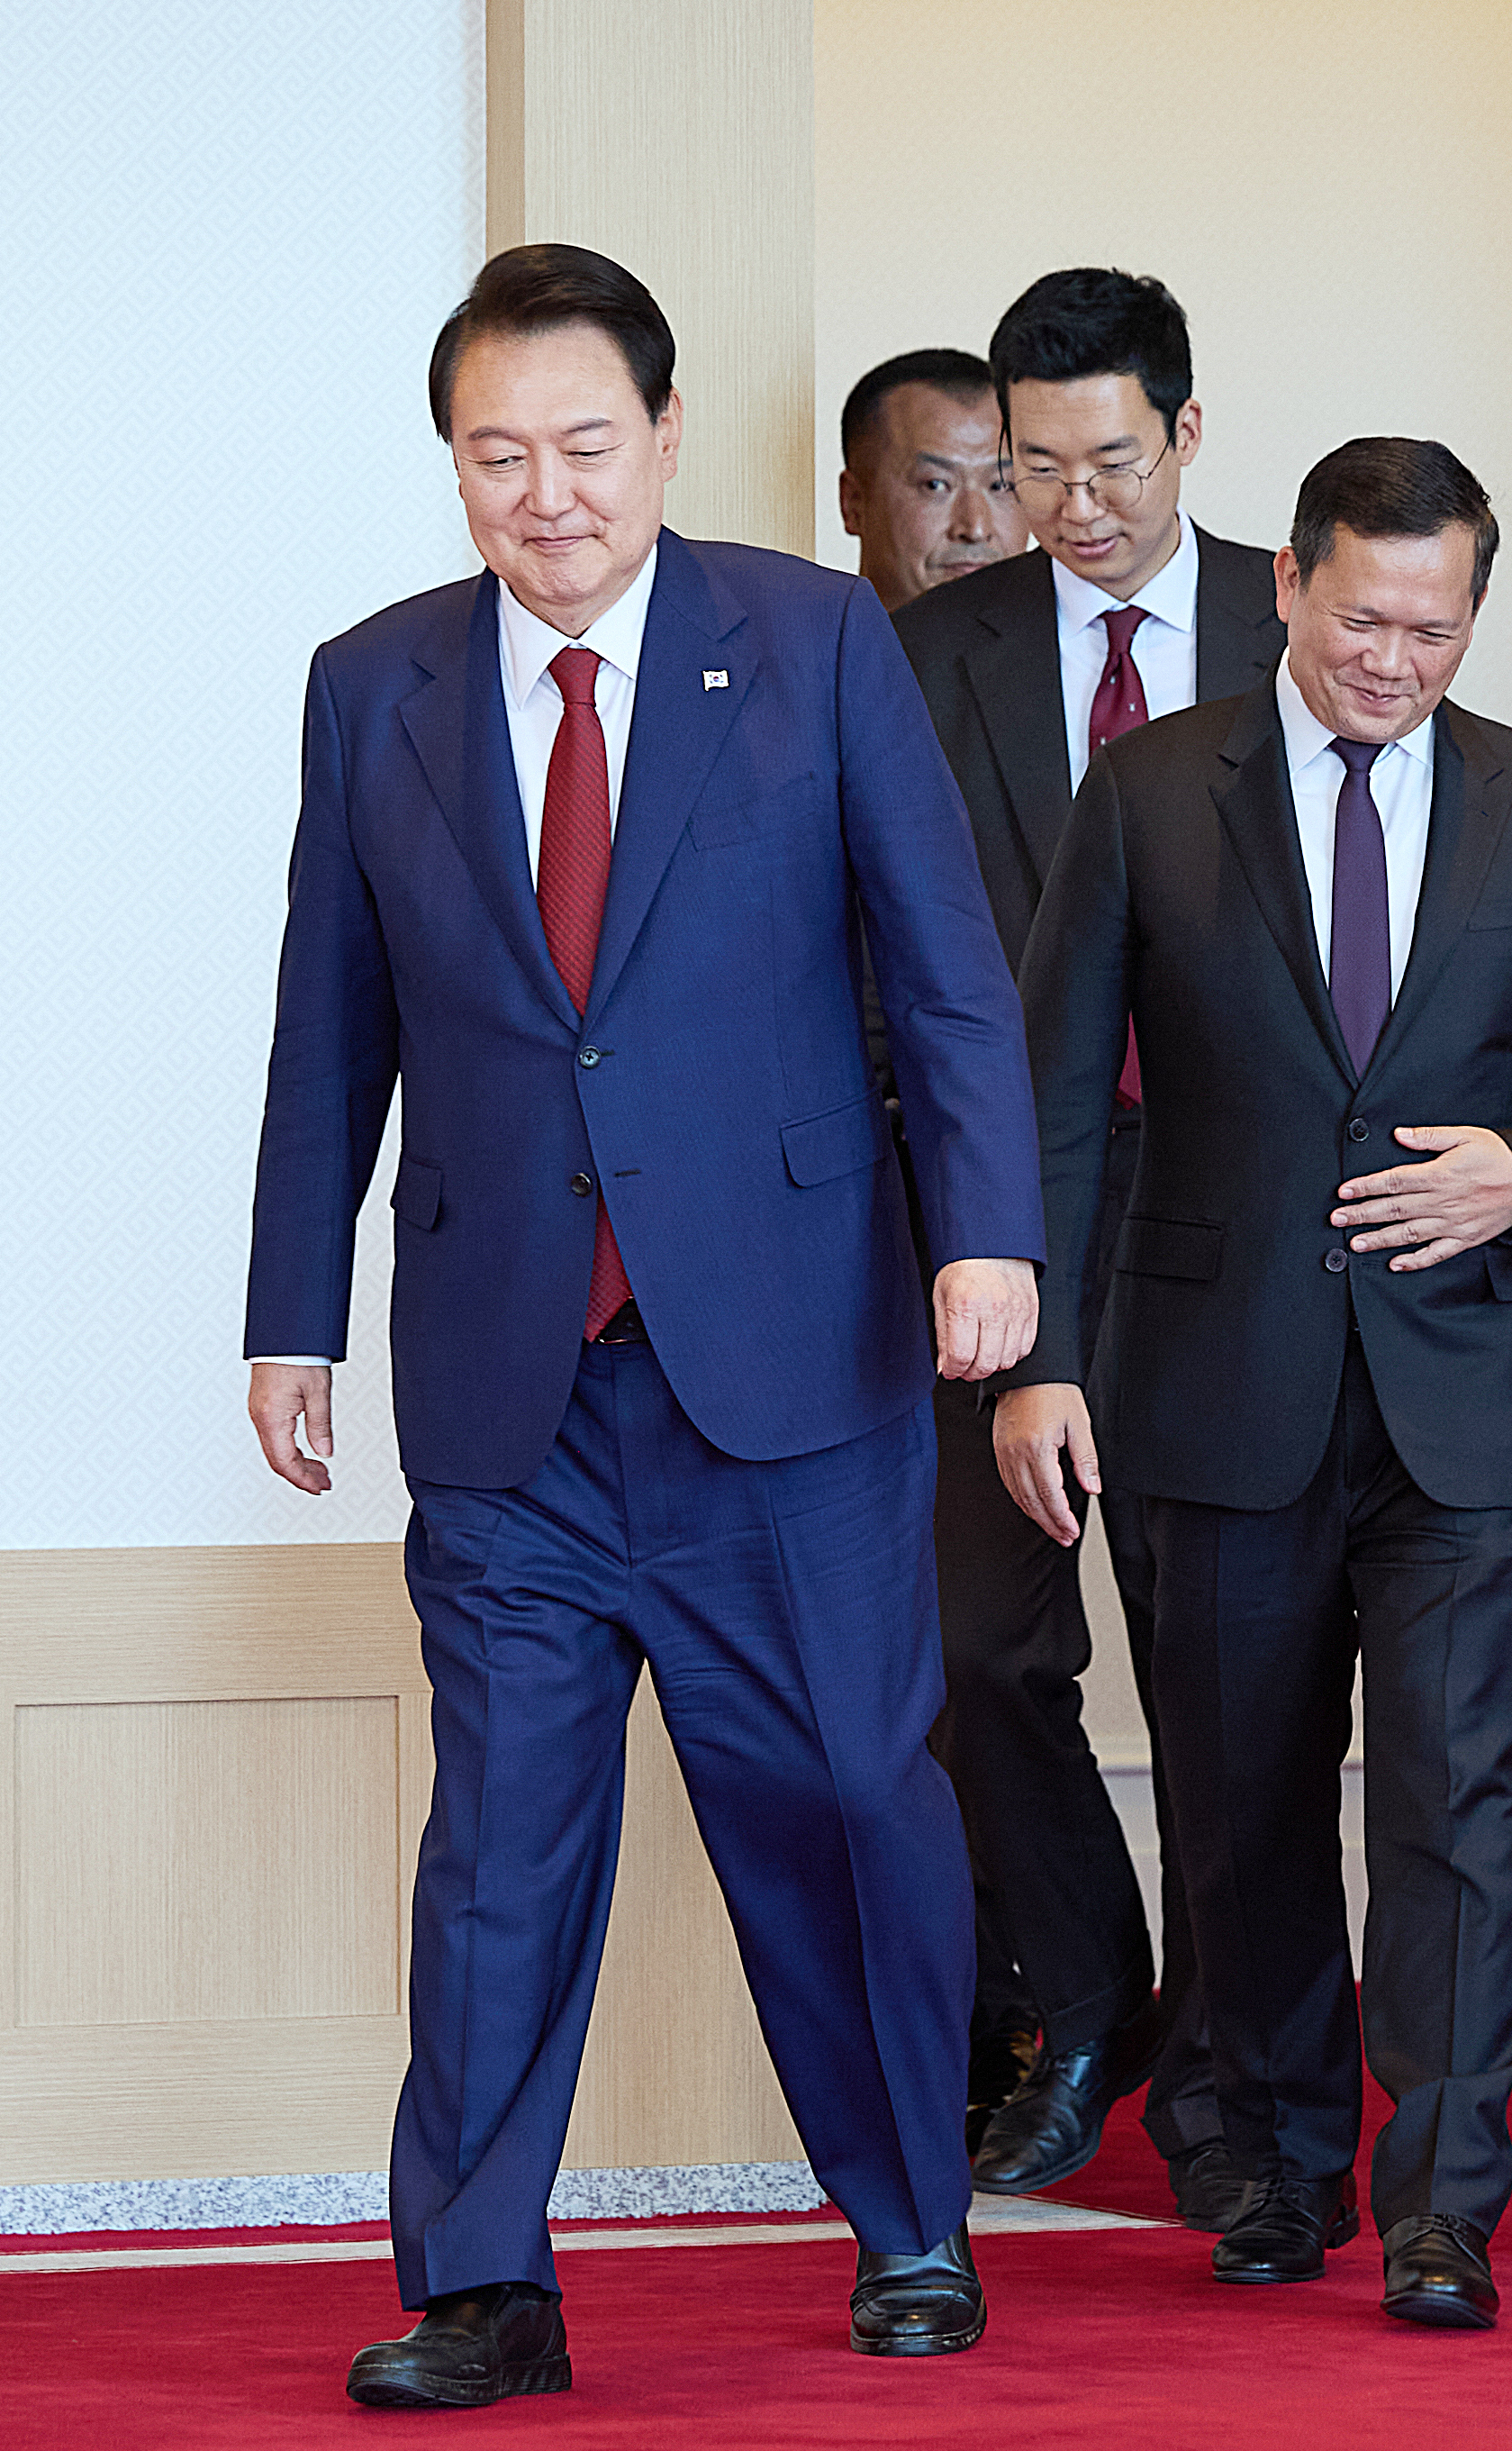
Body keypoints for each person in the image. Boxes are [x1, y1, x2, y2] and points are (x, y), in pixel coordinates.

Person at [243, 243, 1042, 2404]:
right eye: (496, 455)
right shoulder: (374, 682)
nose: (545, 492)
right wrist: (287, 1312)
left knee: (846, 1795)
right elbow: (332, 1025)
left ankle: (904, 2218)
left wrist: (988, 1233)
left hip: (790, 1364)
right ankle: (482, 2271)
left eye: (584, 445)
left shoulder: (807, 637)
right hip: (511, 1375)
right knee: (501, 1835)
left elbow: (945, 963)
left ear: (665, 440)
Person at [995, 438, 1512, 2330]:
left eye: (1438, 625)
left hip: (1462, 1383)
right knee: (1240, 1796)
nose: (1397, 657)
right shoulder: (1148, 790)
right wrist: (1039, 1361)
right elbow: (1054, 1100)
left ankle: (1444, 2191)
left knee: (1462, 1799)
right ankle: (1274, 2162)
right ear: (1289, 585)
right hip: (1211, 1377)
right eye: (1366, 616)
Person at [892, 269, 1286, 2224]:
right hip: (996, 1216)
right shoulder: (927, 644)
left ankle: (1224, 2083)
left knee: (1227, 1664)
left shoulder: (1294, 622)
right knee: (978, 1642)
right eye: (1035, 466)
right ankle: (1090, 2002)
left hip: (1234, 1229)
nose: (1074, 505)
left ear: (1189, 437)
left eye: (1111, 460)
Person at [838, 347, 1027, 612]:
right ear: (853, 504)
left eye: (1001, 485)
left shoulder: (1078, 648)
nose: (976, 529)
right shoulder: (796, 650)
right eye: (936, 485)